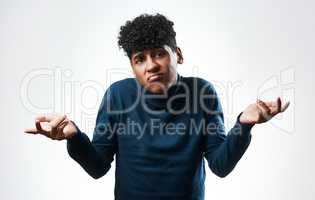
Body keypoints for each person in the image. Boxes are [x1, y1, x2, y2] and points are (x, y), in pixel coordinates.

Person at [25, 13, 290, 200]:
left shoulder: (202, 93)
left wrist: (243, 125)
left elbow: (220, 165)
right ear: (132, 66)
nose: (150, 65)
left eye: (159, 53)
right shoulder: (118, 95)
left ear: (179, 55)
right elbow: (98, 167)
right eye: (140, 59)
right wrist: (74, 137)